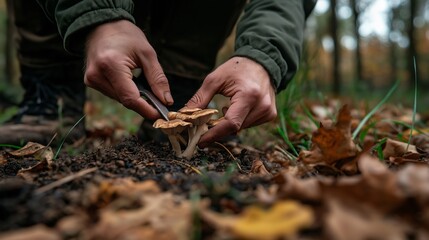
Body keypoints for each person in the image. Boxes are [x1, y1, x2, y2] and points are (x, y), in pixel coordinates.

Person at [2, 0, 316, 147]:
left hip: (189, 27)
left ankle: (179, 82)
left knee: (173, 120)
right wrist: (94, 14)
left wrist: (263, 54)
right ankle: (51, 95)